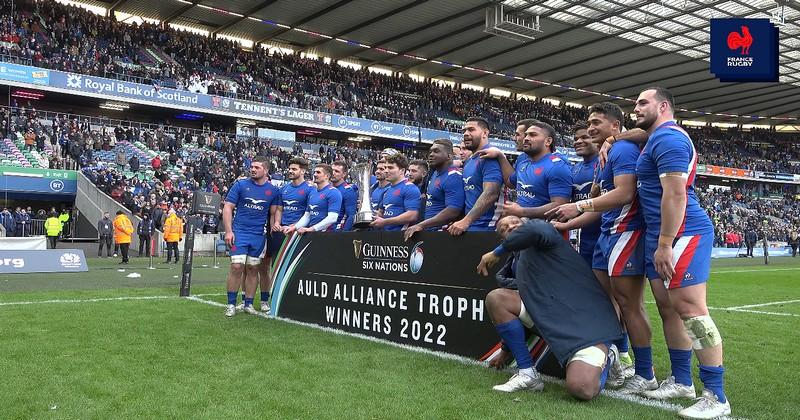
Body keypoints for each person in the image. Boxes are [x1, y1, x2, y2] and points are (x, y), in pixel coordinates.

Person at [633, 87, 730, 418]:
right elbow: (636, 131)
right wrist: (613, 141)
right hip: (661, 234)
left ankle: (716, 396)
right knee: (668, 309)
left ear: (662, 106)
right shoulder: (655, 138)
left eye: (642, 103)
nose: (636, 108)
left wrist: (664, 244)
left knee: (691, 309)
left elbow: (675, 195)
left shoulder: (669, 140)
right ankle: (682, 381)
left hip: (682, 232)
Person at [549, 103, 652, 392]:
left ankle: (644, 371)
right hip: (607, 234)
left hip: (625, 232)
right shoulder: (605, 155)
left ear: (616, 126)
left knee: (629, 305)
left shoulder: (621, 150)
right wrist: (568, 225)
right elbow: (603, 201)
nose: (591, 128)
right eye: (589, 122)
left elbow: (625, 193)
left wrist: (579, 204)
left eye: (597, 122)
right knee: (605, 303)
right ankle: (619, 360)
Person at [477, 216, 623, 400]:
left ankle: (608, 355)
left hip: (585, 330)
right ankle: (527, 374)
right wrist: (505, 351)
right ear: (503, 238)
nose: (511, 226)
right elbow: (519, 313)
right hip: (552, 324)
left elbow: (537, 229)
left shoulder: (545, 238)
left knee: (582, 388)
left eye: (515, 222)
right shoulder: (517, 264)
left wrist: (496, 252)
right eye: (504, 228)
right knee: (497, 298)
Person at [223, 156, 280, 316]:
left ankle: (248, 304)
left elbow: (274, 213)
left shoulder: (273, 191)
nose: (253, 169)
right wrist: (229, 231)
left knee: (253, 268)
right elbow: (228, 208)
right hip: (239, 233)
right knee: (236, 266)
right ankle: (231, 304)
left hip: (258, 236)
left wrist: (275, 225)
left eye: (257, 167)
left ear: (266, 170)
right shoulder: (240, 185)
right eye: (252, 167)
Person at [265, 158, 313, 313]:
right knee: (277, 266)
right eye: (290, 169)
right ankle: (275, 301)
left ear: (303, 171)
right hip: (282, 232)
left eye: (294, 169)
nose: (290, 171)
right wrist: (277, 222)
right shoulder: (284, 189)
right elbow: (279, 209)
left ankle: (296, 302)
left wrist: (296, 226)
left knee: (297, 267)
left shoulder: (309, 190)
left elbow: (309, 213)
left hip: (298, 233)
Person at [448, 117, 503, 235]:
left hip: (486, 227)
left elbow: (491, 193)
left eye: (471, 130)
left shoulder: (488, 156)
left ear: (485, 133)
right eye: (464, 131)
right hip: (470, 226)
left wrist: (466, 221)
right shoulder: (470, 160)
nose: (466, 134)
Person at [404, 139, 465, 239]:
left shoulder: (453, 176)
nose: (431, 154)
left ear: (449, 156)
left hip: (443, 234)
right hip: (430, 232)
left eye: (436, 151)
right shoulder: (435, 174)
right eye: (430, 151)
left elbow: (453, 210)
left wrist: (421, 225)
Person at [371, 154, 420, 231]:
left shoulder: (410, 188)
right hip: (383, 237)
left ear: (402, 171)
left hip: (400, 238)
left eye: (390, 168)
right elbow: (380, 213)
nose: (386, 171)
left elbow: (412, 215)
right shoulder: (386, 190)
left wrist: (385, 222)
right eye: (385, 168)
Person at [293, 164, 342, 235]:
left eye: (318, 172)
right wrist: (294, 227)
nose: (315, 175)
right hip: (311, 233)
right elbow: (307, 216)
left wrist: (312, 229)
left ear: (327, 176)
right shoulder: (312, 192)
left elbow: (332, 218)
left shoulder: (334, 192)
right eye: (314, 172)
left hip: (326, 235)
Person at [331, 161, 358, 232]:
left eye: (336, 171)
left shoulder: (348, 191)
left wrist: (344, 233)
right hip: (325, 230)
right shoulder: (328, 189)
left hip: (337, 231)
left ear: (344, 174)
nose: (333, 173)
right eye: (332, 170)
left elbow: (351, 215)